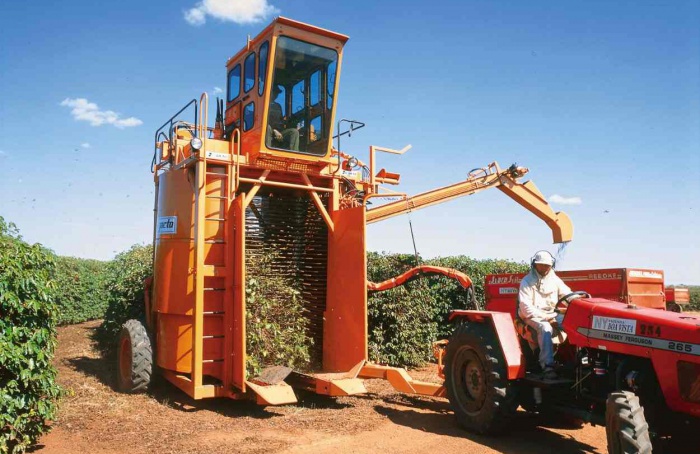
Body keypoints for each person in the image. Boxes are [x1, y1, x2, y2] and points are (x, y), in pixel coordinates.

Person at [518, 250, 572, 379]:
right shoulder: (527, 281)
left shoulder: (555, 279)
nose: (544, 267)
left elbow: (567, 295)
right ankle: (547, 366)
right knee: (545, 328)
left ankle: (575, 362)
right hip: (532, 316)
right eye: (541, 264)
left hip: (551, 313)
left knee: (573, 324)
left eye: (547, 265)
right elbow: (526, 309)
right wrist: (547, 318)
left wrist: (578, 301)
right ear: (535, 265)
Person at [267, 85, 300, 151]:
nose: (276, 94)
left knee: (294, 132)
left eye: (277, 93)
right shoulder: (264, 104)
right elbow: (264, 121)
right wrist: (274, 130)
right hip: (269, 132)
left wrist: (291, 124)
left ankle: (294, 154)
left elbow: (280, 121)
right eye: (275, 92)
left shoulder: (278, 106)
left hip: (280, 132)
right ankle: (267, 150)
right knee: (267, 127)